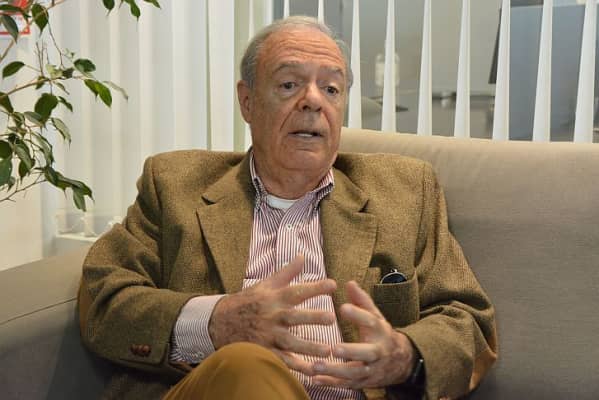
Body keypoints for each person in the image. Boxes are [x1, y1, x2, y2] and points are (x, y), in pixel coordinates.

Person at [78, 16, 497, 400]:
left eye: (331, 89)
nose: (313, 101)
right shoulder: (175, 185)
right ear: (247, 101)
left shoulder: (405, 192)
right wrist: (216, 322)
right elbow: (104, 299)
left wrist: (405, 356)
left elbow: (468, 320)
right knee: (246, 363)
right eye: (289, 84)